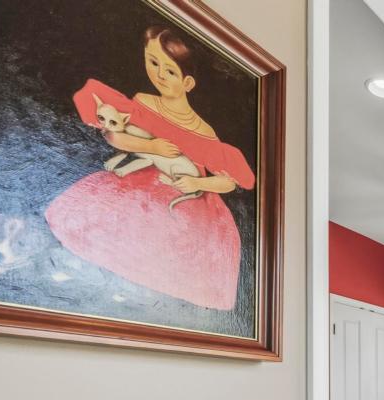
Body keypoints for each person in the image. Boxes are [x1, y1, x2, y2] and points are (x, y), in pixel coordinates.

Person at [45, 26, 255, 311]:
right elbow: (115, 136)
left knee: (171, 264)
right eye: (153, 62)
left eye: (169, 71)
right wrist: (153, 147)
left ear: (188, 82)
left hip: (188, 201)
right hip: (140, 186)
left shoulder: (204, 130)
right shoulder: (144, 103)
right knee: (115, 237)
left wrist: (197, 185)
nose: (158, 74)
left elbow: (229, 182)